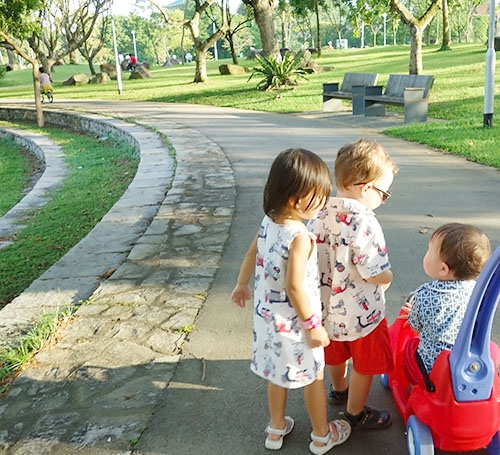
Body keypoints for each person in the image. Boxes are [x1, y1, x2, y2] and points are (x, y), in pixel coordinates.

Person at [231, 148, 351, 454]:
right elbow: (295, 286)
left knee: (278, 372)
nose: (324, 201)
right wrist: (313, 327)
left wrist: (242, 284)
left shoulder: (268, 222)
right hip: (298, 323)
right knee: (314, 376)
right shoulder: (299, 237)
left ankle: (276, 428)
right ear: (292, 199)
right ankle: (322, 436)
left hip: (269, 321)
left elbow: (250, 254)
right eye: (318, 196)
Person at [308, 138, 397, 430]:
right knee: (364, 363)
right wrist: (388, 278)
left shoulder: (317, 213)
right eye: (385, 194)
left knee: (334, 353)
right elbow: (374, 271)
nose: (384, 200)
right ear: (366, 188)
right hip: (361, 313)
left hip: (324, 309)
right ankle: (355, 412)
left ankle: (339, 390)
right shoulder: (365, 222)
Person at [401, 223, 491, 386]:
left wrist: (411, 313)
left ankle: (417, 388)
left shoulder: (424, 295)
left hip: (432, 367)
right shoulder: (478, 291)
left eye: (429, 250)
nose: (426, 253)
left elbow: (415, 328)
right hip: (467, 362)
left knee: (408, 347)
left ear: (443, 269)